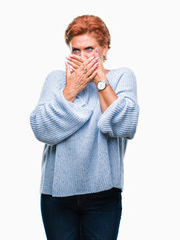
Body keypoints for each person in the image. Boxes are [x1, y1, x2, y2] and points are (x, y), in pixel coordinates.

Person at [30, 14, 139, 240]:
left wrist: (100, 80)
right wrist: (71, 90)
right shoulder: (56, 80)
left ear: (105, 49)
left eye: (89, 49)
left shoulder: (121, 77)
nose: (82, 57)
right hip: (56, 195)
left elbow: (125, 126)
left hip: (103, 195)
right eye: (75, 50)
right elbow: (42, 129)